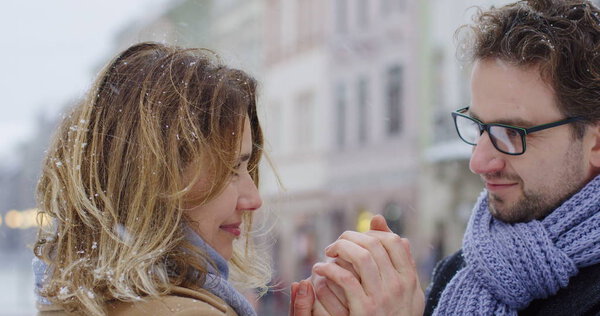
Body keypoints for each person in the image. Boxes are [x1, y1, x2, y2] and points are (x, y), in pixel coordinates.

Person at [297, 0, 600, 315]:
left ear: (595, 144)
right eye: (479, 127)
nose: (478, 162)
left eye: (513, 133)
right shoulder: (460, 272)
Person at [32, 41, 319, 316]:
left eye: (247, 168)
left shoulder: (75, 300)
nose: (253, 200)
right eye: (230, 170)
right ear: (152, 180)